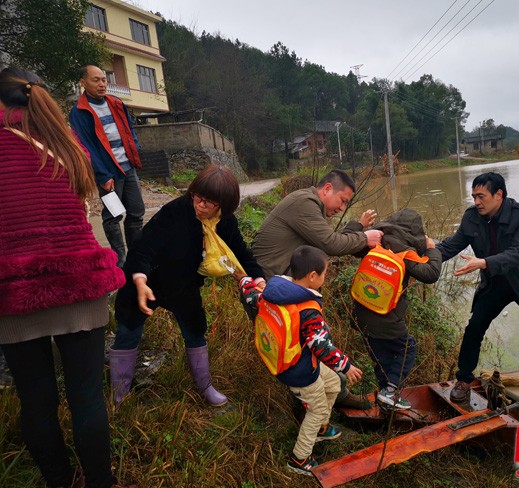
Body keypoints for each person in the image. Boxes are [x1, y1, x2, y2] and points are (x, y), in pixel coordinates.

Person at [0, 68, 126, 488]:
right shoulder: (69, 145)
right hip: (80, 284)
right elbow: (88, 215)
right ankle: (100, 483)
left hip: (15, 290)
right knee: (87, 396)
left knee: (36, 401)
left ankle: (60, 480)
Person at [110, 165, 266, 407]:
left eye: (209, 202)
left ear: (223, 204)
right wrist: (139, 280)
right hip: (147, 282)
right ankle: (120, 396)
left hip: (183, 285)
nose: (200, 205)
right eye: (198, 197)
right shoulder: (174, 212)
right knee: (128, 333)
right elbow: (143, 247)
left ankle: (205, 386)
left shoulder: (224, 222)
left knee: (195, 332)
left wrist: (258, 279)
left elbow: (241, 252)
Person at [436, 172, 519, 403]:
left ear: (498, 194)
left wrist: (486, 262)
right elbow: (452, 245)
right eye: (474, 197)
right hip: (495, 283)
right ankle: (464, 380)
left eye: (481, 196)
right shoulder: (472, 218)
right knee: (475, 327)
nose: (476, 202)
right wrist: (425, 257)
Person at [252, 169, 382, 409]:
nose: (342, 208)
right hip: (273, 287)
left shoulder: (307, 203)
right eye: (342, 201)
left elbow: (325, 240)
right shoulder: (305, 202)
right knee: (304, 344)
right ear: (327, 189)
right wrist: (365, 238)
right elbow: (330, 244)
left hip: (277, 284)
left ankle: (328, 396)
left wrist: (357, 226)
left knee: (303, 343)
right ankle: (316, 405)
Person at [258, 246, 363, 476]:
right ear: (312, 276)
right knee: (315, 410)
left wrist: (244, 281)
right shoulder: (308, 309)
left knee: (334, 384)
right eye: (324, 273)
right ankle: (299, 459)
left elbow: (252, 294)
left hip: (294, 360)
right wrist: (346, 365)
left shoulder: (276, 289)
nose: (326, 278)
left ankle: (322, 428)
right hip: (301, 370)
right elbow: (321, 346)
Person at [352, 209, 442, 409]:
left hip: (362, 313)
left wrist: (360, 226)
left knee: (381, 358)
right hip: (386, 316)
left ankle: (386, 398)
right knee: (407, 348)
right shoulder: (405, 251)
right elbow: (431, 273)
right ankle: (391, 392)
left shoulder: (374, 241)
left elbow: (345, 241)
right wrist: (432, 248)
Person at [69, 65, 145, 268]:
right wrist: (102, 175)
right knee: (113, 215)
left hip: (128, 168)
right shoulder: (79, 112)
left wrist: (134, 151)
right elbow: (86, 146)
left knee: (136, 212)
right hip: (108, 172)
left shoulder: (116, 103)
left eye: (104, 79)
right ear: (83, 82)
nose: (102, 84)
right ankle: (120, 261)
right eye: (96, 80)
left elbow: (130, 131)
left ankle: (136, 257)